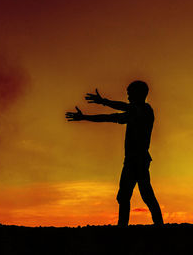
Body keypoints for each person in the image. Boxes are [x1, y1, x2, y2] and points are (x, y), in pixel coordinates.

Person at [65, 81, 163, 226]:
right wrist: (85, 117)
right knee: (137, 195)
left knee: (134, 195)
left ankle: (127, 227)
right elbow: (109, 117)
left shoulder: (145, 111)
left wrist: (103, 102)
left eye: (130, 94)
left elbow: (122, 108)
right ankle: (147, 226)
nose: (128, 97)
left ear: (139, 94)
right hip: (134, 160)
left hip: (137, 160)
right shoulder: (133, 113)